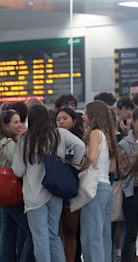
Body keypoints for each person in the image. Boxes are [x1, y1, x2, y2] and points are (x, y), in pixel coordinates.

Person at [12, 105, 85, 262]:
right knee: (53, 236)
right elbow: (81, 146)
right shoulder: (58, 134)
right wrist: (73, 165)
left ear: (29, 120)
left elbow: (18, 170)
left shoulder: (25, 139)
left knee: (40, 238)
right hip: (54, 192)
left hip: (34, 195)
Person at [0, 109, 34, 262]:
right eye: (15, 122)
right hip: (12, 193)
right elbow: (20, 164)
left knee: (7, 232)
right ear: (5, 125)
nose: (19, 125)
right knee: (31, 231)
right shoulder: (8, 144)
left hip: (3, 194)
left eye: (20, 121)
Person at [80, 101, 117, 262]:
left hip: (94, 187)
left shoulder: (95, 133)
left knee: (91, 235)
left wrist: (80, 168)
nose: (84, 116)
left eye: (86, 112)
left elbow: (92, 157)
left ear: (93, 115)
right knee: (104, 234)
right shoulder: (109, 135)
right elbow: (112, 168)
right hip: (106, 187)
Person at [56, 107, 84, 262]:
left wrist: (73, 165)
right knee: (56, 232)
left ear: (74, 121)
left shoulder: (81, 140)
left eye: (64, 118)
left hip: (73, 190)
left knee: (70, 230)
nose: (60, 121)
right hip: (55, 190)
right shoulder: (53, 138)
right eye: (58, 119)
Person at [117, 108, 138, 262]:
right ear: (134, 123)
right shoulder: (124, 144)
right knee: (131, 232)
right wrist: (135, 155)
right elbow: (122, 171)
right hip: (132, 192)